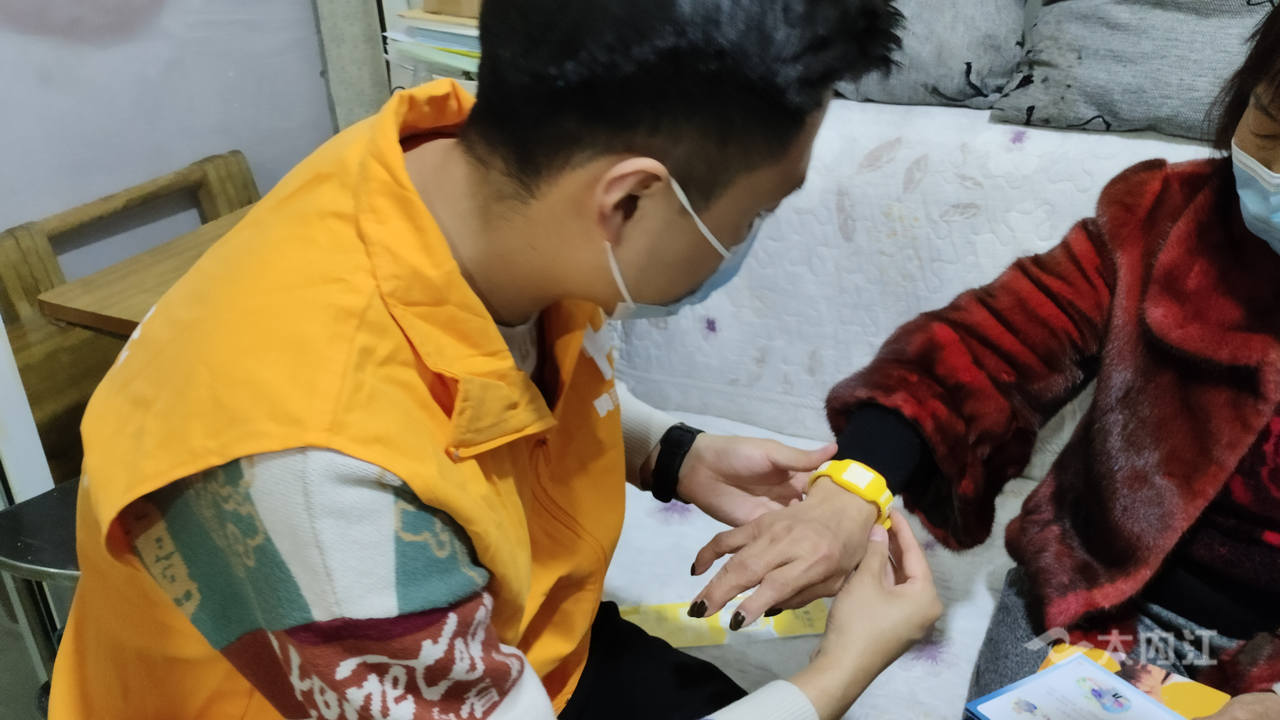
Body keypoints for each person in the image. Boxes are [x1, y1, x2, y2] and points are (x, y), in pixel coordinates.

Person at [48, 1, 942, 719]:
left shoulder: (456, 177)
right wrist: (843, 668)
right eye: (754, 215)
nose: (747, 239)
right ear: (628, 202)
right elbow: (387, 447)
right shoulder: (309, 475)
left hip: (526, 647)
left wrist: (671, 453)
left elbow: (486, 394)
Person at [686, 8, 1280, 718]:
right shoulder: (1163, 216)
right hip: (1093, 593)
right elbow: (984, 345)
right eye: (1271, 120)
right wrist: (853, 483)